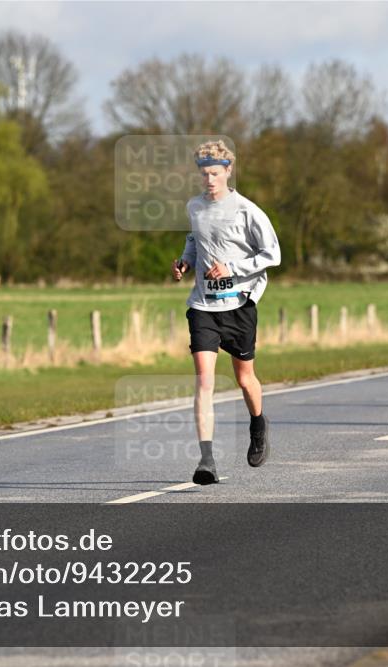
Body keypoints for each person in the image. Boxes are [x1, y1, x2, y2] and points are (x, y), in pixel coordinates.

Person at [171, 140, 281, 484]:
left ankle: (258, 424)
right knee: (204, 380)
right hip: (203, 305)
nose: (209, 180)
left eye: (215, 173)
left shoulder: (247, 210)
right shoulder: (195, 206)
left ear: (228, 171)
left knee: (244, 378)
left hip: (238, 304)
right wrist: (186, 261)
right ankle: (207, 460)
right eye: (204, 173)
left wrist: (231, 268)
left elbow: (272, 255)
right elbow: (195, 239)